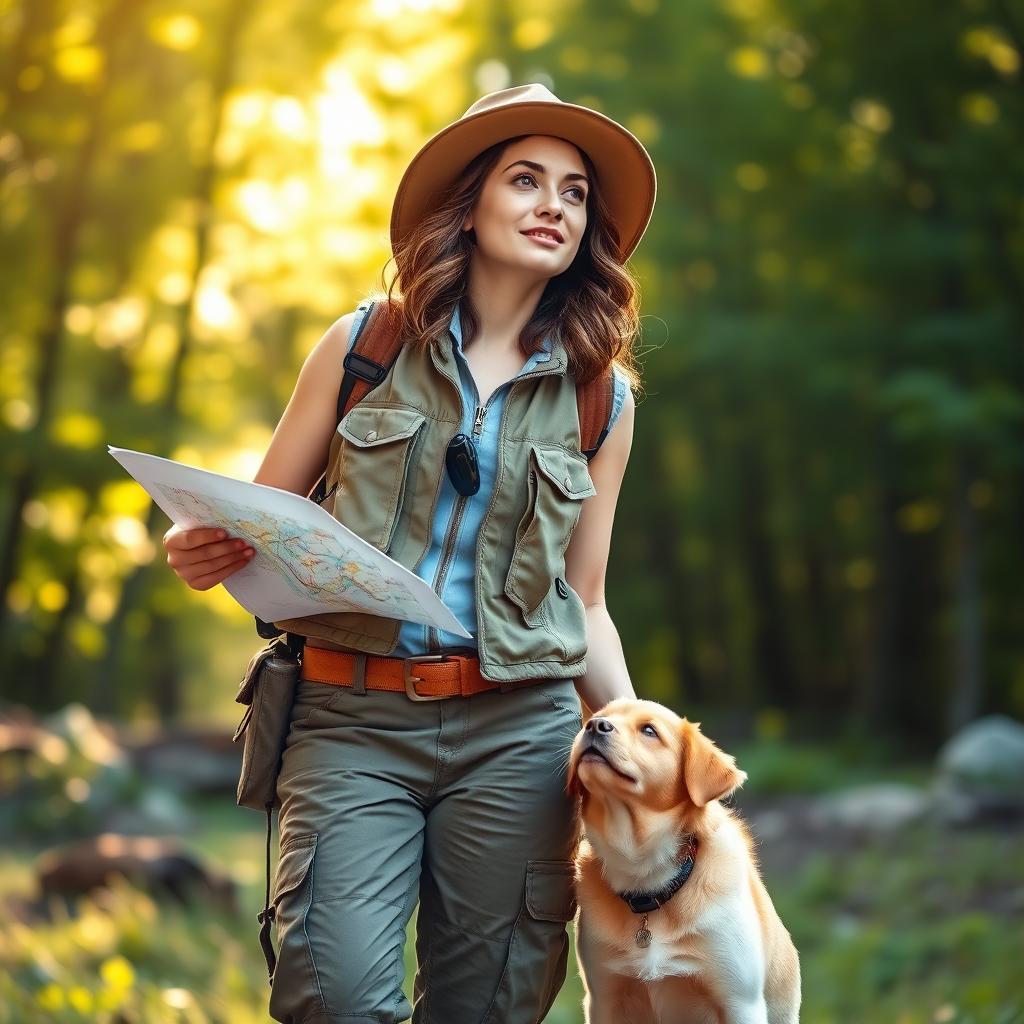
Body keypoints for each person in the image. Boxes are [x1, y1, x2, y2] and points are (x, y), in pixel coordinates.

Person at [164, 82, 657, 1024]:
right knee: (335, 996)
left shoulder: (604, 400)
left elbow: (584, 602)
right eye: (525, 179)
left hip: (519, 732)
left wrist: (642, 742)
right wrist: (193, 546)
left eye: (575, 191)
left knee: (491, 1005)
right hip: (350, 720)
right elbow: (255, 523)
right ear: (469, 205)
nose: (555, 203)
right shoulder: (362, 345)